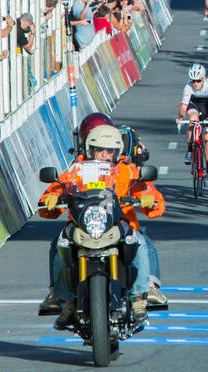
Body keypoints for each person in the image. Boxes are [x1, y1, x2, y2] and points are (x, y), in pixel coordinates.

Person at [38, 124, 164, 328]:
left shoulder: (127, 170)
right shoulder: (75, 170)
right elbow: (56, 190)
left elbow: (150, 197)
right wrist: (51, 198)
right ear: (90, 149)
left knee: (137, 239)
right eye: (100, 149)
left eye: (110, 150)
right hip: (83, 224)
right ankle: (66, 300)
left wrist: (149, 198)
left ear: (118, 151)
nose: (105, 154)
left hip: (117, 223)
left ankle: (139, 296)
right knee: (60, 242)